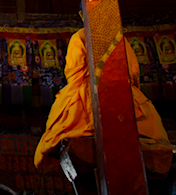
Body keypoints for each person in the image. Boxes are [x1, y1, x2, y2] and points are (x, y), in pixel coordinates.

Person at [34, 29, 172, 171]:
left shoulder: (81, 36)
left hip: (85, 100)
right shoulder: (117, 36)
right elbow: (131, 68)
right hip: (126, 97)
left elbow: (74, 68)